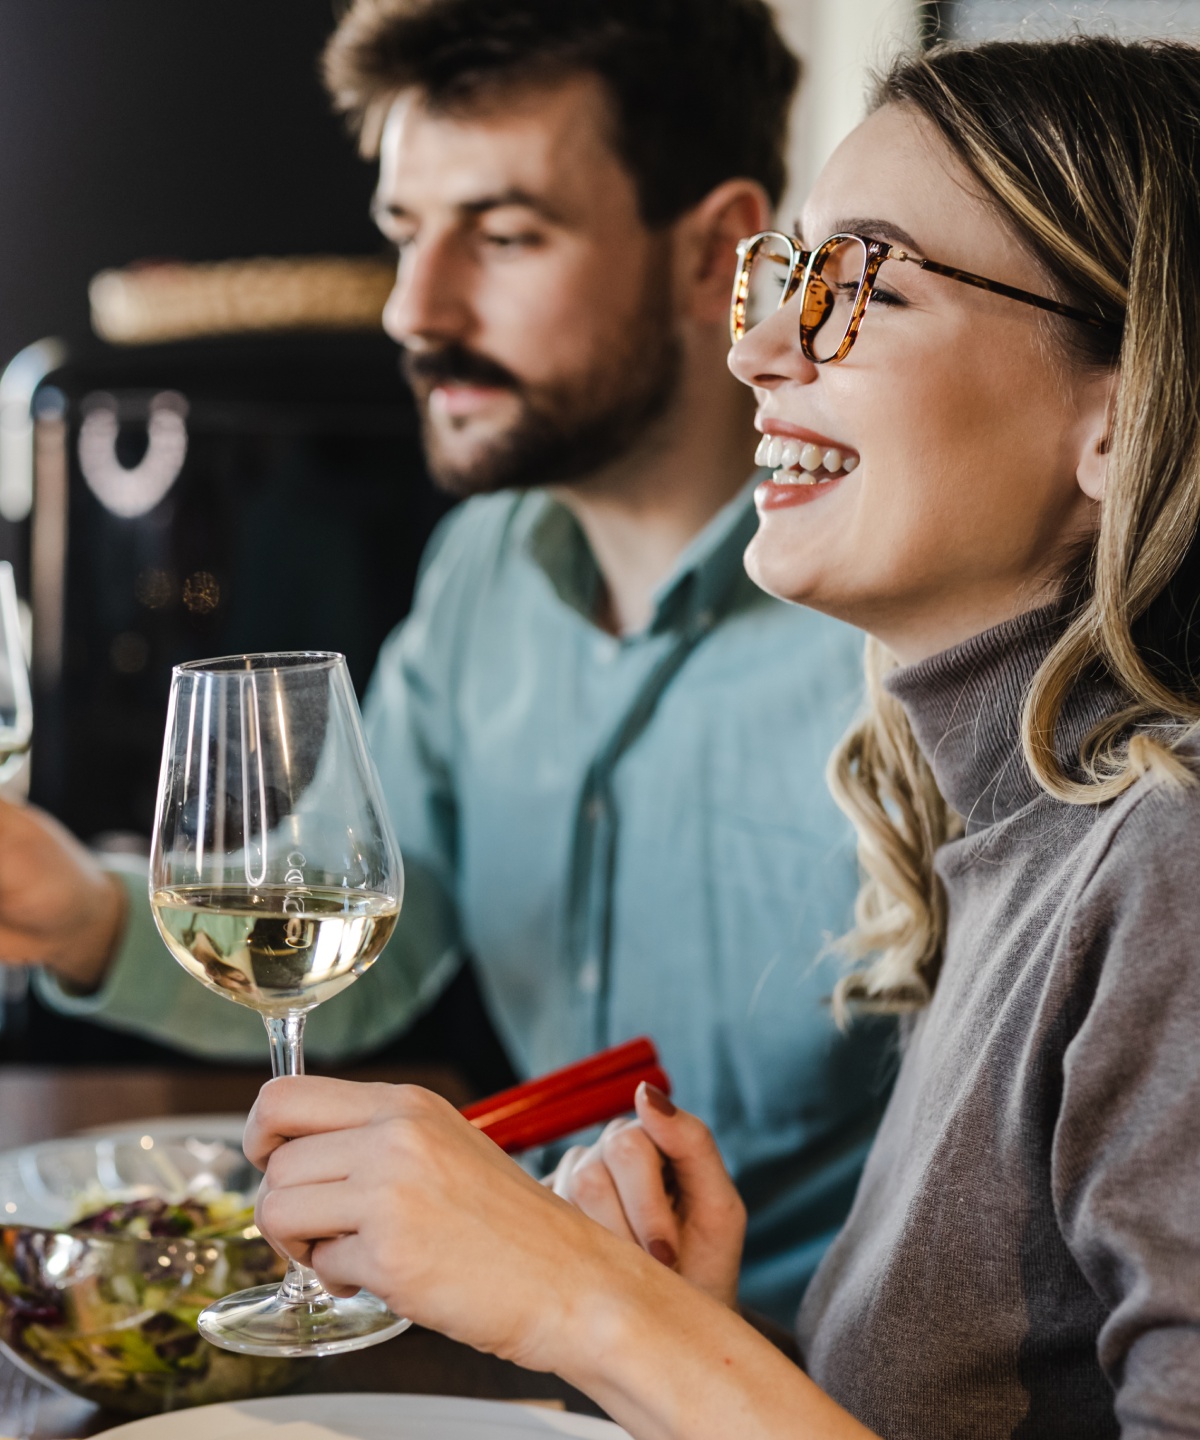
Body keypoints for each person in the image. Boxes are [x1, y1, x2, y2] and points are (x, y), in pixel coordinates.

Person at [241, 32, 1200, 1439]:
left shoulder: (1167, 869)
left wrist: (590, 1308)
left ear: (1119, 418)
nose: (755, 349)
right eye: (790, 278)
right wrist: (681, 1340)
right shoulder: (1013, 834)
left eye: (861, 283)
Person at [0, 0, 883, 1325]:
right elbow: (373, 947)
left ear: (717, 256)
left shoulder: (898, 630)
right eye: (406, 234)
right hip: (528, 1359)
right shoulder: (485, 566)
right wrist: (82, 911)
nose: (416, 310)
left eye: (508, 235)